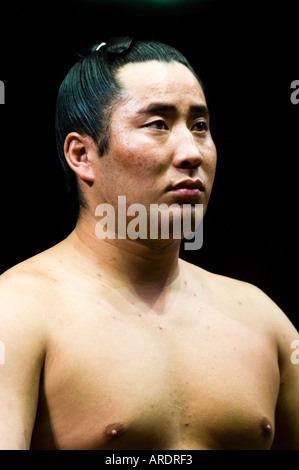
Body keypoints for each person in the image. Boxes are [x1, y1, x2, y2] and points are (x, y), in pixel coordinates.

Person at [0, 37, 298, 450]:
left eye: (200, 126)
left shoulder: (265, 321)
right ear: (82, 154)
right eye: (157, 124)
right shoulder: (16, 313)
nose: (192, 152)